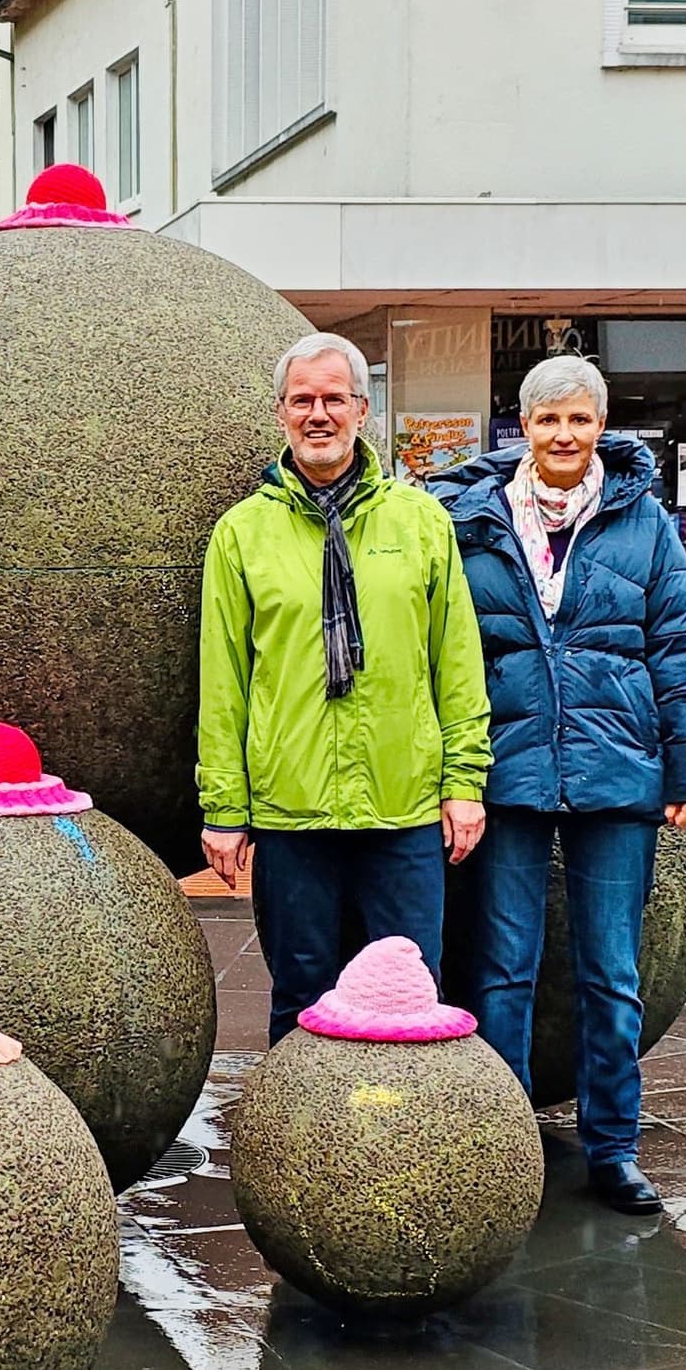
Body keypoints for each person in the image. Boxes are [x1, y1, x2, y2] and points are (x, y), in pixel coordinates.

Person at [437, 355, 686, 1215]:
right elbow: (447, 653)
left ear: (602, 427)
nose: (564, 436)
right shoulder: (473, 520)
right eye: (547, 420)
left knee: (611, 971)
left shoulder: (644, 522)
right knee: (502, 969)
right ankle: (505, 1146)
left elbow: (681, 647)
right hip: (511, 772)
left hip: (617, 775)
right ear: (520, 427)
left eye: (580, 420)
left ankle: (613, 1147)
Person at [197, 332, 491, 1039]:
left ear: (364, 410)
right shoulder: (242, 534)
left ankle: (408, 1142)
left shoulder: (420, 523)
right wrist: (224, 809)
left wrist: (464, 781)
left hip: (404, 804)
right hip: (291, 807)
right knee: (299, 992)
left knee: (411, 990)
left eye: (334, 398)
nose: (318, 414)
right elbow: (224, 683)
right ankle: (298, 1147)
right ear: (280, 414)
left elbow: (455, 660)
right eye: (303, 400)